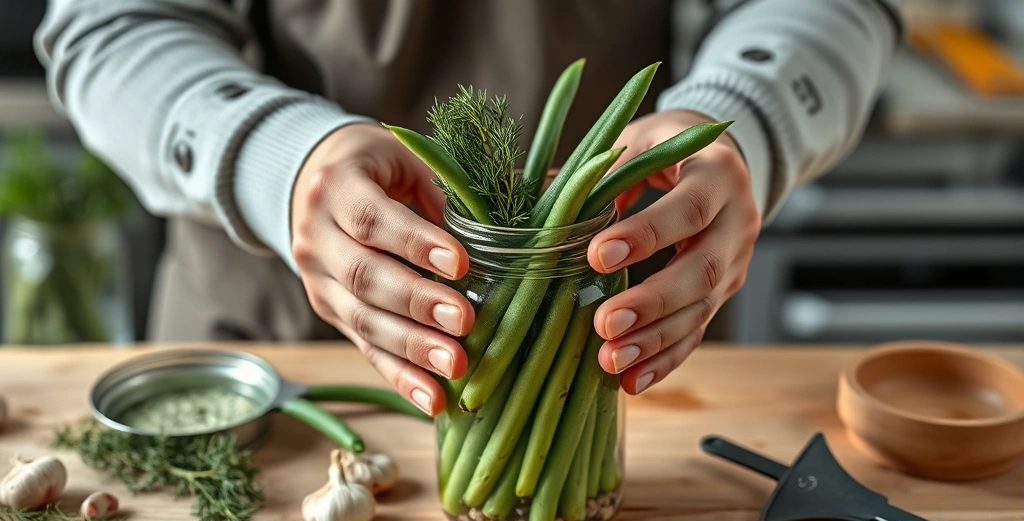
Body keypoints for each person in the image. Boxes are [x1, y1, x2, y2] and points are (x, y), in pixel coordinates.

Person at [35, 0, 902, 416]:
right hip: (265, 352)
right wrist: (278, 160)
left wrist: (737, 118)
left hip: (598, 339)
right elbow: (112, 27)